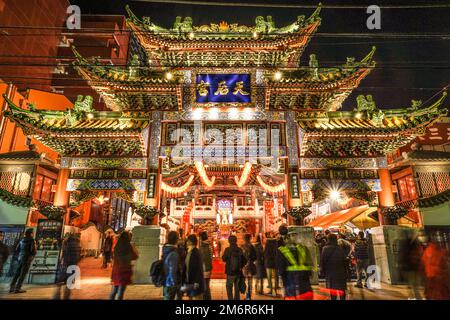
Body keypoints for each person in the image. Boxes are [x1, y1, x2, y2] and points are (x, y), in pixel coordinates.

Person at [277, 231, 314, 300]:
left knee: (291, 295)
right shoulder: (303, 248)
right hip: (303, 276)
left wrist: (283, 281)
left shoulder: (282, 250)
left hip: (290, 277)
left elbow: (281, 268)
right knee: (305, 295)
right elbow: (309, 263)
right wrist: (310, 274)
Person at [110, 231, 138, 300]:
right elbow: (135, 256)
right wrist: (134, 248)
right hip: (124, 271)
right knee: (121, 292)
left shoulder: (117, 246)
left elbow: (114, 257)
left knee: (114, 290)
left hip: (116, 271)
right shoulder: (128, 246)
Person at [421, 235, 450, 300]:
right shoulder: (440, 252)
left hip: (431, 279)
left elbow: (423, 265)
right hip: (438, 279)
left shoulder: (427, 251)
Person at [53, 233, 81, 300]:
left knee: (59, 283)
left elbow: (60, 247)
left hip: (65, 265)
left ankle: (56, 296)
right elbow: (79, 256)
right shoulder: (78, 245)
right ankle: (66, 297)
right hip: (73, 265)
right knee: (69, 284)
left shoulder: (66, 244)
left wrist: (59, 240)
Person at [320, 233, 347, 300]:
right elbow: (344, 261)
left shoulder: (325, 249)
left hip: (330, 272)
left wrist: (322, 271)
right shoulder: (340, 248)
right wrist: (346, 271)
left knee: (333, 291)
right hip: (341, 272)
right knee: (341, 290)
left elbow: (322, 261)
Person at [9, 228, 36, 293]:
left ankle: (12, 287)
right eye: (33, 233)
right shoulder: (32, 240)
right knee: (23, 274)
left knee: (17, 273)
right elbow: (33, 251)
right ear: (31, 233)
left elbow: (17, 249)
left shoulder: (21, 240)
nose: (33, 234)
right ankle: (18, 288)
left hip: (20, 258)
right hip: (27, 259)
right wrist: (31, 258)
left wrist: (19, 256)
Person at [222, 235, 246, 300]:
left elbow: (223, 259)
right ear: (236, 241)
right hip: (238, 272)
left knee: (229, 287)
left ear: (229, 241)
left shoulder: (227, 250)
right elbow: (244, 260)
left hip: (230, 272)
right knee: (237, 288)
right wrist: (241, 266)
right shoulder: (239, 250)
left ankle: (230, 299)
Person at [182, 234, 205, 300]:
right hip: (190, 282)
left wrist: (196, 283)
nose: (186, 242)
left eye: (187, 241)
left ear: (191, 242)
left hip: (195, 283)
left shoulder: (195, 253)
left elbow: (198, 270)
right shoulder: (189, 252)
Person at [162, 231, 181, 300]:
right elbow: (173, 268)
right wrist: (174, 282)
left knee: (166, 296)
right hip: (172, 281)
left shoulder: (165, 248)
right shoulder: (174, 252)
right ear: (176, 239)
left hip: (165, 278)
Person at [241, 233, 257, 300]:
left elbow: (240, 256)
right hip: (250, 265)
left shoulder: (242, 246)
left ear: (244, 239)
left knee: (243, 280)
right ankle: (249, 296)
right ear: (250, 238)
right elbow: (255, 256)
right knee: (250, 281)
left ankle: (245, 293)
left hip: (244, 266)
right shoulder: (252, 246)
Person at [199, 231, 213, 300]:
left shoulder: (201, 248)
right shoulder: (209, 246)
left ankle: (206, 298)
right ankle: (208, 298)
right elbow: (211, 258)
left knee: (205, 286)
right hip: (209, 268)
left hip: (203, 269)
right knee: (207, 285)